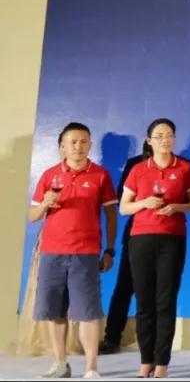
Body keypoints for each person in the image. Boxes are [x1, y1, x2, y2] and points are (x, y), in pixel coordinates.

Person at [28, 121, 118, 379]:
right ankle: (60, 363)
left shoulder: (100, 175)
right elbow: (33, 216)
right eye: (73, 142)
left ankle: (91, 368)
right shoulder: (49, 175)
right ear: (62, 147)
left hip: (85, 253)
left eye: (83, 141)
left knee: (88, 312)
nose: (78, 146)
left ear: (90, 144)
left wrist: (109, 250)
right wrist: (45, 204)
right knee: (55, 311)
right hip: (52, 252)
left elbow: (111, 216)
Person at [119, 118, 190, 379]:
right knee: (144, 302)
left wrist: (177, 207)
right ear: (149, 140)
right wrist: (144, 203)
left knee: (165, 301)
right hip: (140, 239)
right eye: (159, 135)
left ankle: (162, 362)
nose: (165, 140)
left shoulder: (185, 168)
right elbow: (123, 208)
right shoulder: (138, 169)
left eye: (169, 135)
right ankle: (146, 361)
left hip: (172, 239)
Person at [100, 140, 151, 355]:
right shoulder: (135, 164)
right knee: (124, 286)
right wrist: (144, 200)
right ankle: (112, 338)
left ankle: (150, 341)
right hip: (135, 232)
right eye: (157, 136)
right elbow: (121, 197)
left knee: (156, 290)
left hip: (166, 235)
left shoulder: (181, 164)